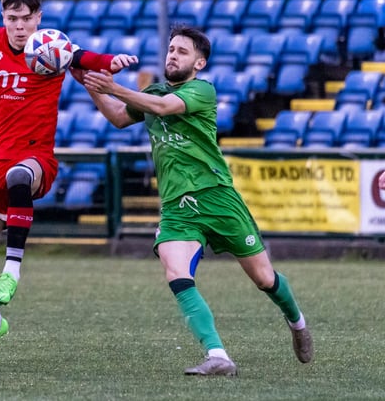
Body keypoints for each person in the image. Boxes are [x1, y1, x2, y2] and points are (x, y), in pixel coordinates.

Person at [71, 25, 313, 376]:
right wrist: (92, 87)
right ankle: (218, 355)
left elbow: (162, 106)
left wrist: (114, 86)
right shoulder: (152, 91)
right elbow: (119, 118)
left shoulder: (202, 90)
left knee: (263, 279)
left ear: (199, 63)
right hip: (176, 206)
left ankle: (297, 322)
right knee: (175, 271)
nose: (172, 55)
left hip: (217, 198)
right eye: (171, 49)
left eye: (182, 51)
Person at [0, 0, 137, 367]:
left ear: (39, 17)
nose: (19, 26)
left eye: (26, 18)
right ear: (2, 17)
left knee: (20, 177)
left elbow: (87, 58)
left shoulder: (51, 46)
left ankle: (14, 270)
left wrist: (114, 62)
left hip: (35, 156)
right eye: (12, 18)